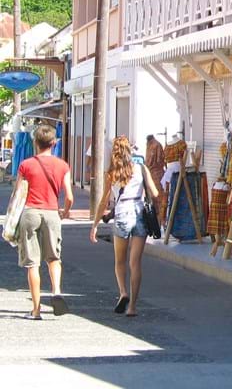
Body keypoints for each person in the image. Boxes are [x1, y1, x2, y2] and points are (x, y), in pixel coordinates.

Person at [90, 136, 160, 318]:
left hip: (121, 215)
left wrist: (95, 224)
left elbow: (104, 201)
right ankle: (133, 308)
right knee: (135, 263)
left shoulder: (111, 174)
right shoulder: (141, 168)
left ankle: (123, 292)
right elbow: (155, 192)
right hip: (139, 214)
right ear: (130, 151)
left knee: (119, 261)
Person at [15, 124, 73, 320]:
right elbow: (70, 196)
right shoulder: (63, 165)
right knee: (54, 258)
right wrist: (64, 211)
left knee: (32, 263)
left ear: (35, 143)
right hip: (51, 212)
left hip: (30, 212)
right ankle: (56, 291)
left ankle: (36, 310)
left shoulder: (26, 165)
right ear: (54, 143)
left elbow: (18, 193)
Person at [145, 135, 165, 223]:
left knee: (159, 198)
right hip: (151, 174)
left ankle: (160, 221)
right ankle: (156, 222)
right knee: (153, 200)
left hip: (157, 175)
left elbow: (160, 161)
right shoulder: (149, 144)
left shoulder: (156, 145)